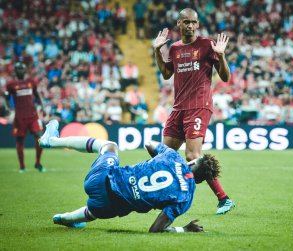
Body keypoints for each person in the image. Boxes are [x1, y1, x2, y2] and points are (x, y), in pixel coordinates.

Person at [39, 120, 221, 232]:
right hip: (109, 208)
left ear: (192, 162)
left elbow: (149, 144)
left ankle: (52, 141)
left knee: (109, 147)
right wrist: (185, 229)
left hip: (101, 180)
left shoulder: (174, 157)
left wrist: (158, 161)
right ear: (200, 180)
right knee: (96, 211)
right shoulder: (186, 198)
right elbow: (156, 229)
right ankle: (66, 218)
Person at [153, 8, 235, 214]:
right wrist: (157, 52)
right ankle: (167, 195)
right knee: (164, 155)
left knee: (192, 155)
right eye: (186, 22)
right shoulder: (174, 48)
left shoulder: (207, 45)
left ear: (197, 24)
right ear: (179, 24)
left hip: (199, 106)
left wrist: (222, 55)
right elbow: (165, 74)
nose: (190, 25)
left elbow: (225, 77)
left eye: (193, 22)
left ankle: (223, 199)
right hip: (178, 108)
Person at [5, 62, 45, 173]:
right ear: (15, 71)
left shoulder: (31, 82)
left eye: (22, 68)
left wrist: (43, 106)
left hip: (32, 115)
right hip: (19, 117)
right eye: (18, 69)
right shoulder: (11, 84)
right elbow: (6, 98)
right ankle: (22, 166)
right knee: (20, 140)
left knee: (39, 137)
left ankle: (38, 163)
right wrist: (8, 108)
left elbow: (37, 95)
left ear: (25, 70)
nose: (20, 71)